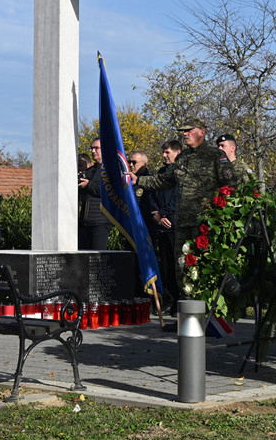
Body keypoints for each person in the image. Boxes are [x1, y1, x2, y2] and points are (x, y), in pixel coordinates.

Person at [132, 117, 239, 296]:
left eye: (189, 130)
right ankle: (188, 317)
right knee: (182, 269)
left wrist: (217, 213)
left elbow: (231, 185)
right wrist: (140, 180)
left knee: (204, 267)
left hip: (204, 224)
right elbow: (164, 181)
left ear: (202, 133)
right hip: (182, 224)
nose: (185, 134)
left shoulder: (215, 156)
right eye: (184, 131)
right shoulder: (182, 157)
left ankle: (207, 316)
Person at [145, 140, 182, 312]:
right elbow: (152, 193)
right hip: (160, 223)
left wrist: (165, 214)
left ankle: (178, 301)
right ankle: (168, 298)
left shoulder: (181, 173)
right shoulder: (161, 172)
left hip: (173, 223)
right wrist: (156, 213)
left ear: (177, 152)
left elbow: (178, 197)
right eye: (163, 152)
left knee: (176, 266)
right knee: (165, 265)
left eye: (167, 152)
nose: (164, 156)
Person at [78, 138, 113, 250]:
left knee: (98, 260)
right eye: (92, 148)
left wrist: (88, 185)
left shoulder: (111, 169)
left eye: (96, 148)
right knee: (83, 258)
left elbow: (108, 191)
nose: (93, 151)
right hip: (84, 222)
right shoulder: (90, 170)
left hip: (100, 222)